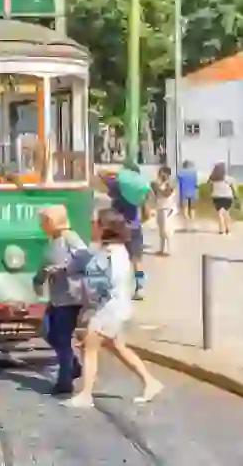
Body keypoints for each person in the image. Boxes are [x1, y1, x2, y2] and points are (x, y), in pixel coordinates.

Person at [63, 210, 163, 408]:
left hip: (108, 309)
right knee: (117, 347)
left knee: (90, 347)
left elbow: (107, 281)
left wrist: (84, 288)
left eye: (94, 222)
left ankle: (86, 394)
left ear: (104, 228)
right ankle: (150, 382)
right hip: (111, 307)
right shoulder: (109, 250)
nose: (91, 225)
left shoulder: (112, 253)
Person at [33, 205, 87, 395]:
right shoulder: (52, 240)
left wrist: (63, 268)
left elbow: (84, 258)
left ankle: (64, 382)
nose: (42, 224)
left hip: (70, 296)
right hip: (56, 297)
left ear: (54, 221)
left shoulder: (69, 238)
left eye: (45, 220)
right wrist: (38, 279)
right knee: (47, 331)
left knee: (62, 338)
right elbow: (45, 263)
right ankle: (72, 364)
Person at [99, 166, 147, 300]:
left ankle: (108, 286)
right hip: (134, 226)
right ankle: (140, 287)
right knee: (136, 260)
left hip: (117, 227)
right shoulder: (138, 191)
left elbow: (101, 173)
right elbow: (146, 211)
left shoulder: (117, 188)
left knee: (109, 256)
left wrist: (117, 172)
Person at [150, 166, 177, 256]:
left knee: (167, 230)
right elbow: (155, 195)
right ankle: (162, 249)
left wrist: (158, 188)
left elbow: (167, 194)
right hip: (160, 208)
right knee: (161, 230)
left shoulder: (171, 183)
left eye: (162, 173)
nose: (161, 175)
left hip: (168, 208)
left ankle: (168, 250)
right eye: (160, 173)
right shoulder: (159, 183)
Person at [208, 162, 235, 235]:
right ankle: (228, 230)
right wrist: (236, 196)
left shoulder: (212, 178)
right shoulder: (228, 178)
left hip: (216, 197)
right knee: (226, 213)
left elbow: (210, 188)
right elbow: (233, 188)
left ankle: (221, 230)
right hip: (227, 197)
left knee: (220, 213)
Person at [177, 160, 198, 225]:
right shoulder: (194, 173)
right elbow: (196, 182)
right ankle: (192, 219)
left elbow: (177, 181)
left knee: (185, 207)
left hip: (184, 191)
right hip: (193, 191)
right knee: (192, 207)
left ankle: (187, 220)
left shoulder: (181, 173)